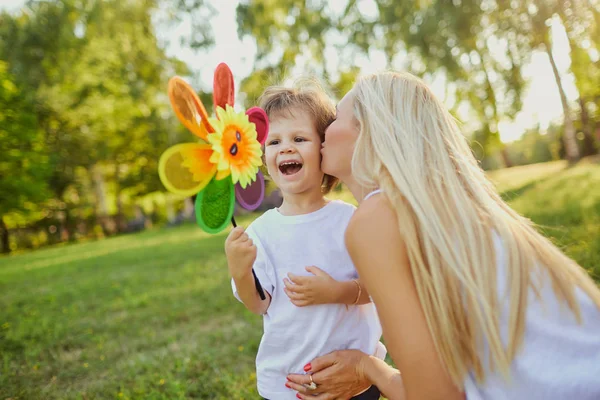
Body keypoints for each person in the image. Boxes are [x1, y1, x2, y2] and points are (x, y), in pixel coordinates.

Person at [286, 71, 600, 400]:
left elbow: (435, 395)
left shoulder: (376, 219)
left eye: (336, 117)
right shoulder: (452, 212)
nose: (323, 129)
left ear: (368, 132)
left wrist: (369, 368)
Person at [225, 80, 386, 400]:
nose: (286, 147)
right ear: (264, 157)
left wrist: (336, 292)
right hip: (290, 383)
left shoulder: (350, 219)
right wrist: (240, 271)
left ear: (323, 148)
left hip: (353, 379)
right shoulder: (261, 232)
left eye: (299, 138)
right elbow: (258, 303)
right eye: (274, 142)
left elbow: (380, 287)